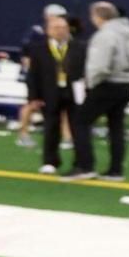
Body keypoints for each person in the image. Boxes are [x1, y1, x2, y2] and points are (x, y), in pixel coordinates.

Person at [70, 1, 129, 181]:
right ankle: (115, 170)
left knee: (80, 122)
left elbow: (100, 65)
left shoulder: (105, 35)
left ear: (98, 16)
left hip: (107, 84)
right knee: (116, 127)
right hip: (126, 85)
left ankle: (84, 166)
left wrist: (91, 83)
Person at [22, 12, 84, 176]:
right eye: (56, 28)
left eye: (63, 27)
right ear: (48, 30)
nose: (60, 31)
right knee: (51, 128)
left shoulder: (79, 47)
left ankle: (81, 162)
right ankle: (50, 161)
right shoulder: (38, 49)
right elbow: (33, 75)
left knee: (77, 128)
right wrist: (33, 97)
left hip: (74, 94)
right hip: (49, 94)